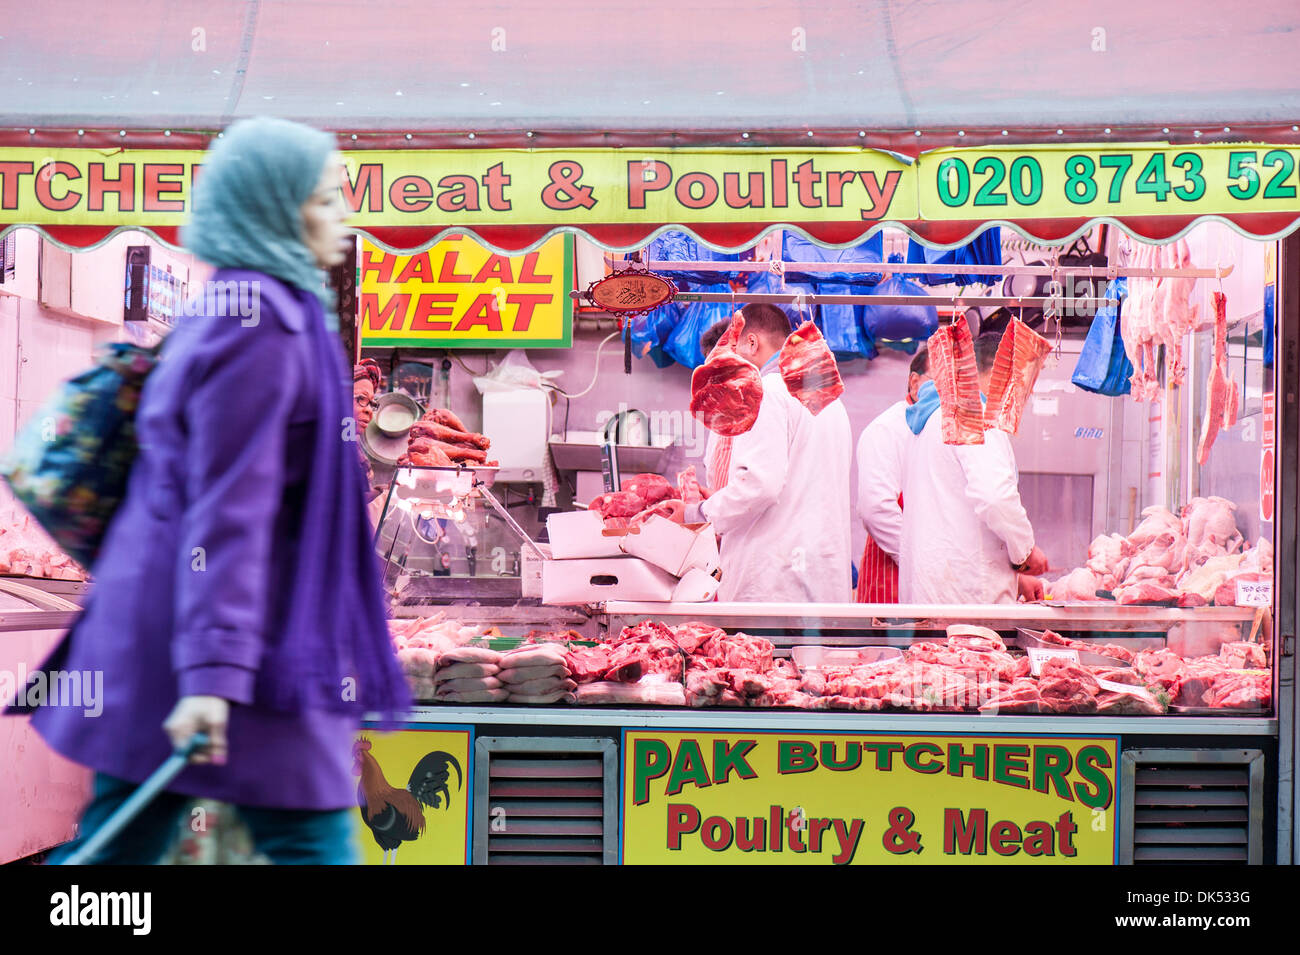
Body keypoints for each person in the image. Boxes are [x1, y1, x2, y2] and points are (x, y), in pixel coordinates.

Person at [16, 117, 409, 864]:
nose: (343, 220)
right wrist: (211, 673)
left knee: (128, 843)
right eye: (324, 202)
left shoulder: (261, 309)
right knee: (298, 837)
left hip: (230, 641)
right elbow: (227, 511)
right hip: (217, 647)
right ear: (273, 211)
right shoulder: (256, 321)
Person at [699, 303, 852, 602]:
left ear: (751, 342)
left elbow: (759, 486)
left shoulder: (766, 391)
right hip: (821, 581)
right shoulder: (827, 397)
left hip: (773, 584)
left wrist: (699, 514)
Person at [898, 332, 1048, 605]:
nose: (1029, 393)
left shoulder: (935, 415)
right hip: (965, 599)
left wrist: (1017, 577)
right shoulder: (976, 417)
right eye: (1027, 383)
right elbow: (995, 498)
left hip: (933, 590)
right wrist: (1025, 552)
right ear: (1000, 373)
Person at [855, 345, 929, 603]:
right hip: (889, 583)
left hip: (931, 585)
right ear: (914, 382)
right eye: (938, 382)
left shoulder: (941, 429)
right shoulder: (886, 430)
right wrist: (921, 564)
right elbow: (876, 510)